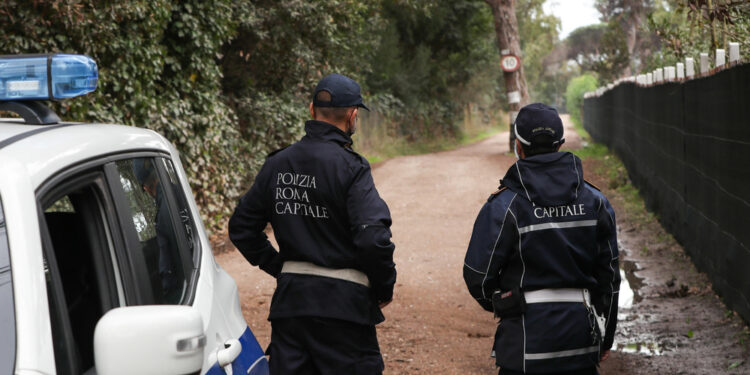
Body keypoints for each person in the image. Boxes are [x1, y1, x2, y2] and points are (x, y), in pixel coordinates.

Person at [228, 73, 396, 375]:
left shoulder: (277, 164)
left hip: (292, 308)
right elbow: (372, 237)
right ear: (353, 115)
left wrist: (280, 267)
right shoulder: (352, 168)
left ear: (311, 110)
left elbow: (242, 227)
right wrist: (383, 287)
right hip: (345, 312)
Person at [463, 103, 620, 375]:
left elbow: (477, 274)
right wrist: (605, 337)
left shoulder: (505, 205)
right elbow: (610, 277)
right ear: (559, 144)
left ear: (519, 147)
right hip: (580, 345)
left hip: (523, 348)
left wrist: (506, 303)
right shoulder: (596, 203)